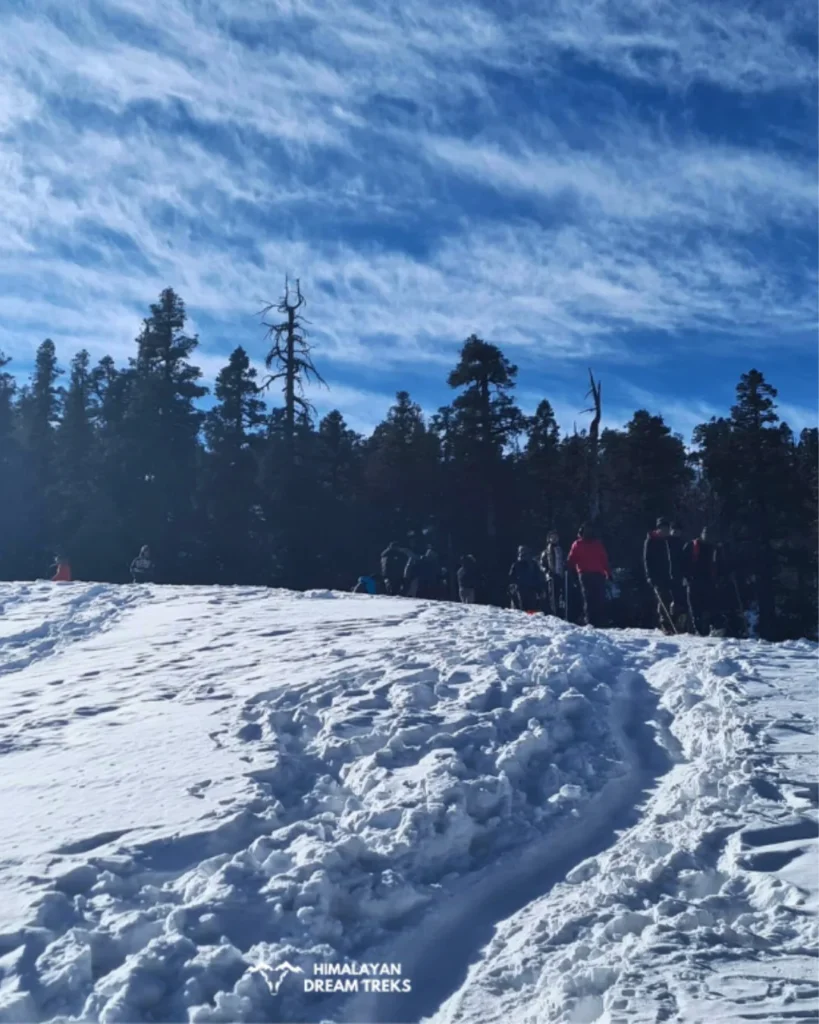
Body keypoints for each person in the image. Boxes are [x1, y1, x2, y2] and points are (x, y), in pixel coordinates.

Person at [566, 523, 611, 627]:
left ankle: (597, 621)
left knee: (596, 598)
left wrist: (608, 572)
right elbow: (572, 558)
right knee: (591, 598)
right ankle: (591, 621)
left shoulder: (595, 544)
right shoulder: (578, 544)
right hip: (587, 574)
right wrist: (568, 565)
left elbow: (603, 559)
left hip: (595, 574)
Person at [643, 517, 678, 634]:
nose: (665, 531)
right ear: (658, 529)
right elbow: (647, 559)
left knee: (672, 599)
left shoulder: (669, 540)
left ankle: (673, 623)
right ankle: (665, 624)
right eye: (663, 529)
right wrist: (649, 576)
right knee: (663, 598)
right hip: (657, 575)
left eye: (667, 529)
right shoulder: (651, 540)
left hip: (669, 574)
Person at [683, 527, 718, 635]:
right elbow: (682, 562)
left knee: (708, 608)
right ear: (701, 534)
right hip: (693, 581)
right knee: (695, 608)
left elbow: (718, 564)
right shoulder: (692, 546)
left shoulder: (713, 548)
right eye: (706, 534)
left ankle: (707, 630)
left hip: (708, 581)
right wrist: (686, 577)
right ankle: (697, 630)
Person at [509, 546, 545, 612]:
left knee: (523, 608)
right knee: (530, 608)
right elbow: (538, 577)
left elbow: (511, 578)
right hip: (527, 588)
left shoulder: (518, 564)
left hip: (524, 588)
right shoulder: (532, 563)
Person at [540, 530, 565, 616]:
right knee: (552, 595)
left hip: (560, 575)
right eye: (552, 537)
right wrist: (547, 571)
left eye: (556, 537)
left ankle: (560, 612)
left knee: (560, 595)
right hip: (551, 576)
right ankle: (553, 613)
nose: (554, 539)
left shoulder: (560, 550)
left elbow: (563, 561)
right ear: (549, 539)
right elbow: (542, 564)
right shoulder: (546, 551)